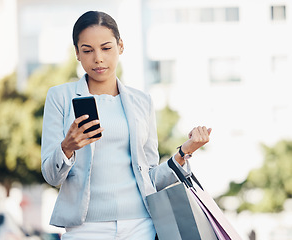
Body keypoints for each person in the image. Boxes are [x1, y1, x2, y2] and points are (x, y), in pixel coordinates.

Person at [41, 10, 212, 240]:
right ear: (77, 54)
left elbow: (150, 177)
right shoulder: (59, 97)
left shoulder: (141, 101)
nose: (98, 58)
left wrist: (185, 152)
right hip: (85, 229)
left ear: (120, 46)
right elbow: (51, 176)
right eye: (87, 50)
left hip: (140, 226)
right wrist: (67, 147)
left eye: (106, 48)